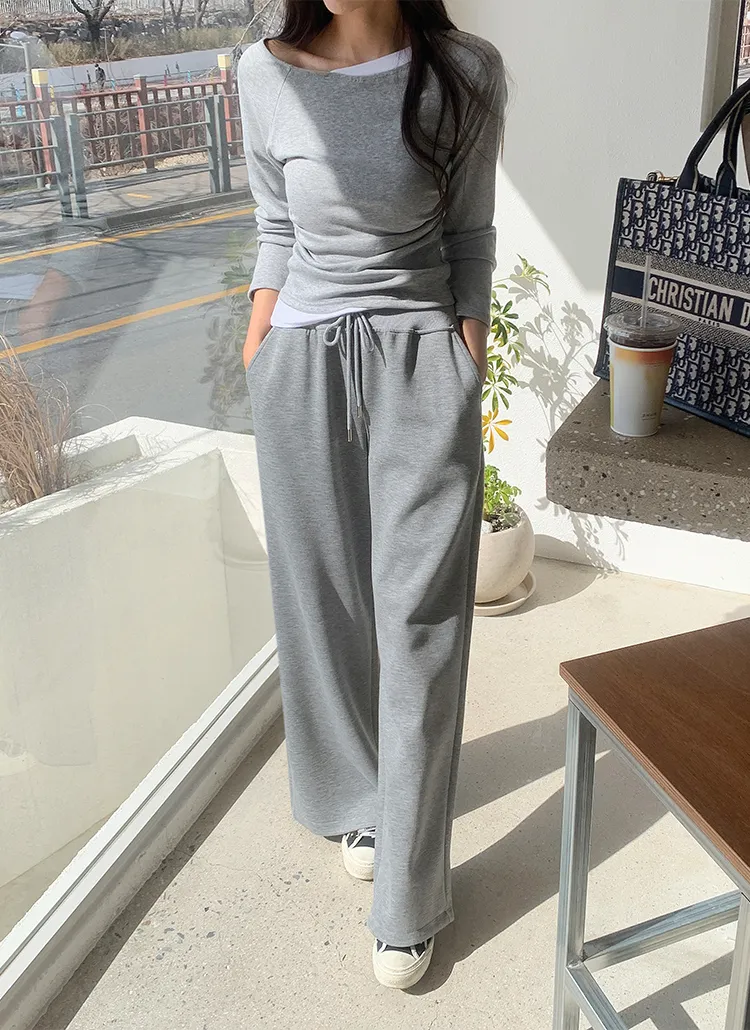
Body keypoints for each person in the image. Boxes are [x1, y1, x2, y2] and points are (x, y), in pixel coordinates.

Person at [238, 0, 505, 990]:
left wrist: (462, 360)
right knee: (326, 609)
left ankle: (409, 900)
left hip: (417, 364)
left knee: (421, 625)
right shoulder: (263, 72)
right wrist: (259, 350)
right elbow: (274, 225)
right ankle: (361, 798)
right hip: (300, 364)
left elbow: (471, 234)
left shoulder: (465, 73)